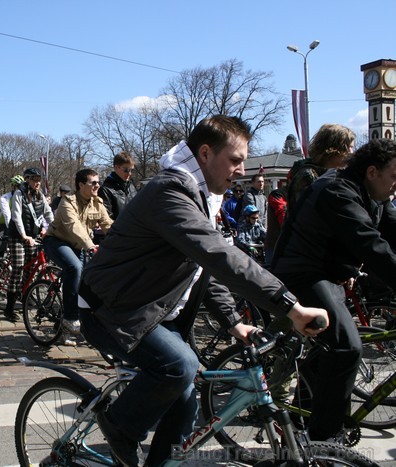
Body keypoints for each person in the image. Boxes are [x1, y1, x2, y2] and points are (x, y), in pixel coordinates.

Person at [77, 115, 328, 466]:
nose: (242, 170)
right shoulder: (170, 191)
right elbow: (218, 255)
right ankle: (118, 425)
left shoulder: (201, 196)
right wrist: (290, 306)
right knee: (180, 365)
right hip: (109, 310)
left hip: (152, 312)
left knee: (187, 400)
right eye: (236, 159)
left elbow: (203, 269)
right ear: (206, 154)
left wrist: (234, 323)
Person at [272, 138, 396, 442]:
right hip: (302, 273)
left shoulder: (374, 195)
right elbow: (371, 246)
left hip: (329, 275)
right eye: (395, 175)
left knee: (323, 355)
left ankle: (302, 426)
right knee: (346, 346)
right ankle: (325, 440)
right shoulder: (338, 191)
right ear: (372, 172)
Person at [44, 169, 112, 346]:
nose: (97, 185)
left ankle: (72, 325)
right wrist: (90, 245)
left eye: (98, 182)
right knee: (75, 268)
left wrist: (127, 242)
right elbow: (74, 227)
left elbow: (108, 225)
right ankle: (70, 318)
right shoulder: (68, 201)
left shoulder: (97, 203)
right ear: (81, 185)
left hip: (79, 245)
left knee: (85, 282)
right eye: (93, 182)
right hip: (57, 242)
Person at [4, 168, 54, 322]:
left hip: (32, 236)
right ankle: (9, 308)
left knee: (32, 268)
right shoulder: (19, 194)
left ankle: (24, 296)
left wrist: (52, 228)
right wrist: (24, 235)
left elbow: (49, 213)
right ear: (27, 180)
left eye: (39, 179)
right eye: (34, 179)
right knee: (18, 268)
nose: (37, 182)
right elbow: (16, 216)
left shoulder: (41, 196)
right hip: (17, 236)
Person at [286, 123, 356, 212]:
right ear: (332, 148)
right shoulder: (308, 175)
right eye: (348, 147)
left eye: (352, 147)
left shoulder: (337, 175)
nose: (351, 152)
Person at [0, 175, 24, 257]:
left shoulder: (22, 197)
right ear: (13, 186)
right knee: (0, 250)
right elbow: (7, 215)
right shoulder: (5, 198)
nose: (20, 189)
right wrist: (13, 230)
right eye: (18, 186)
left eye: (21, 186)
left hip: (12, 223)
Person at [99, 151, 137, 220]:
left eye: (132, 170)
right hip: (118, 229)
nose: (129, 173)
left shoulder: (131, 187)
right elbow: (107, 219)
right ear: (116, 167)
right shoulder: (105, 190)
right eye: (126, 170)